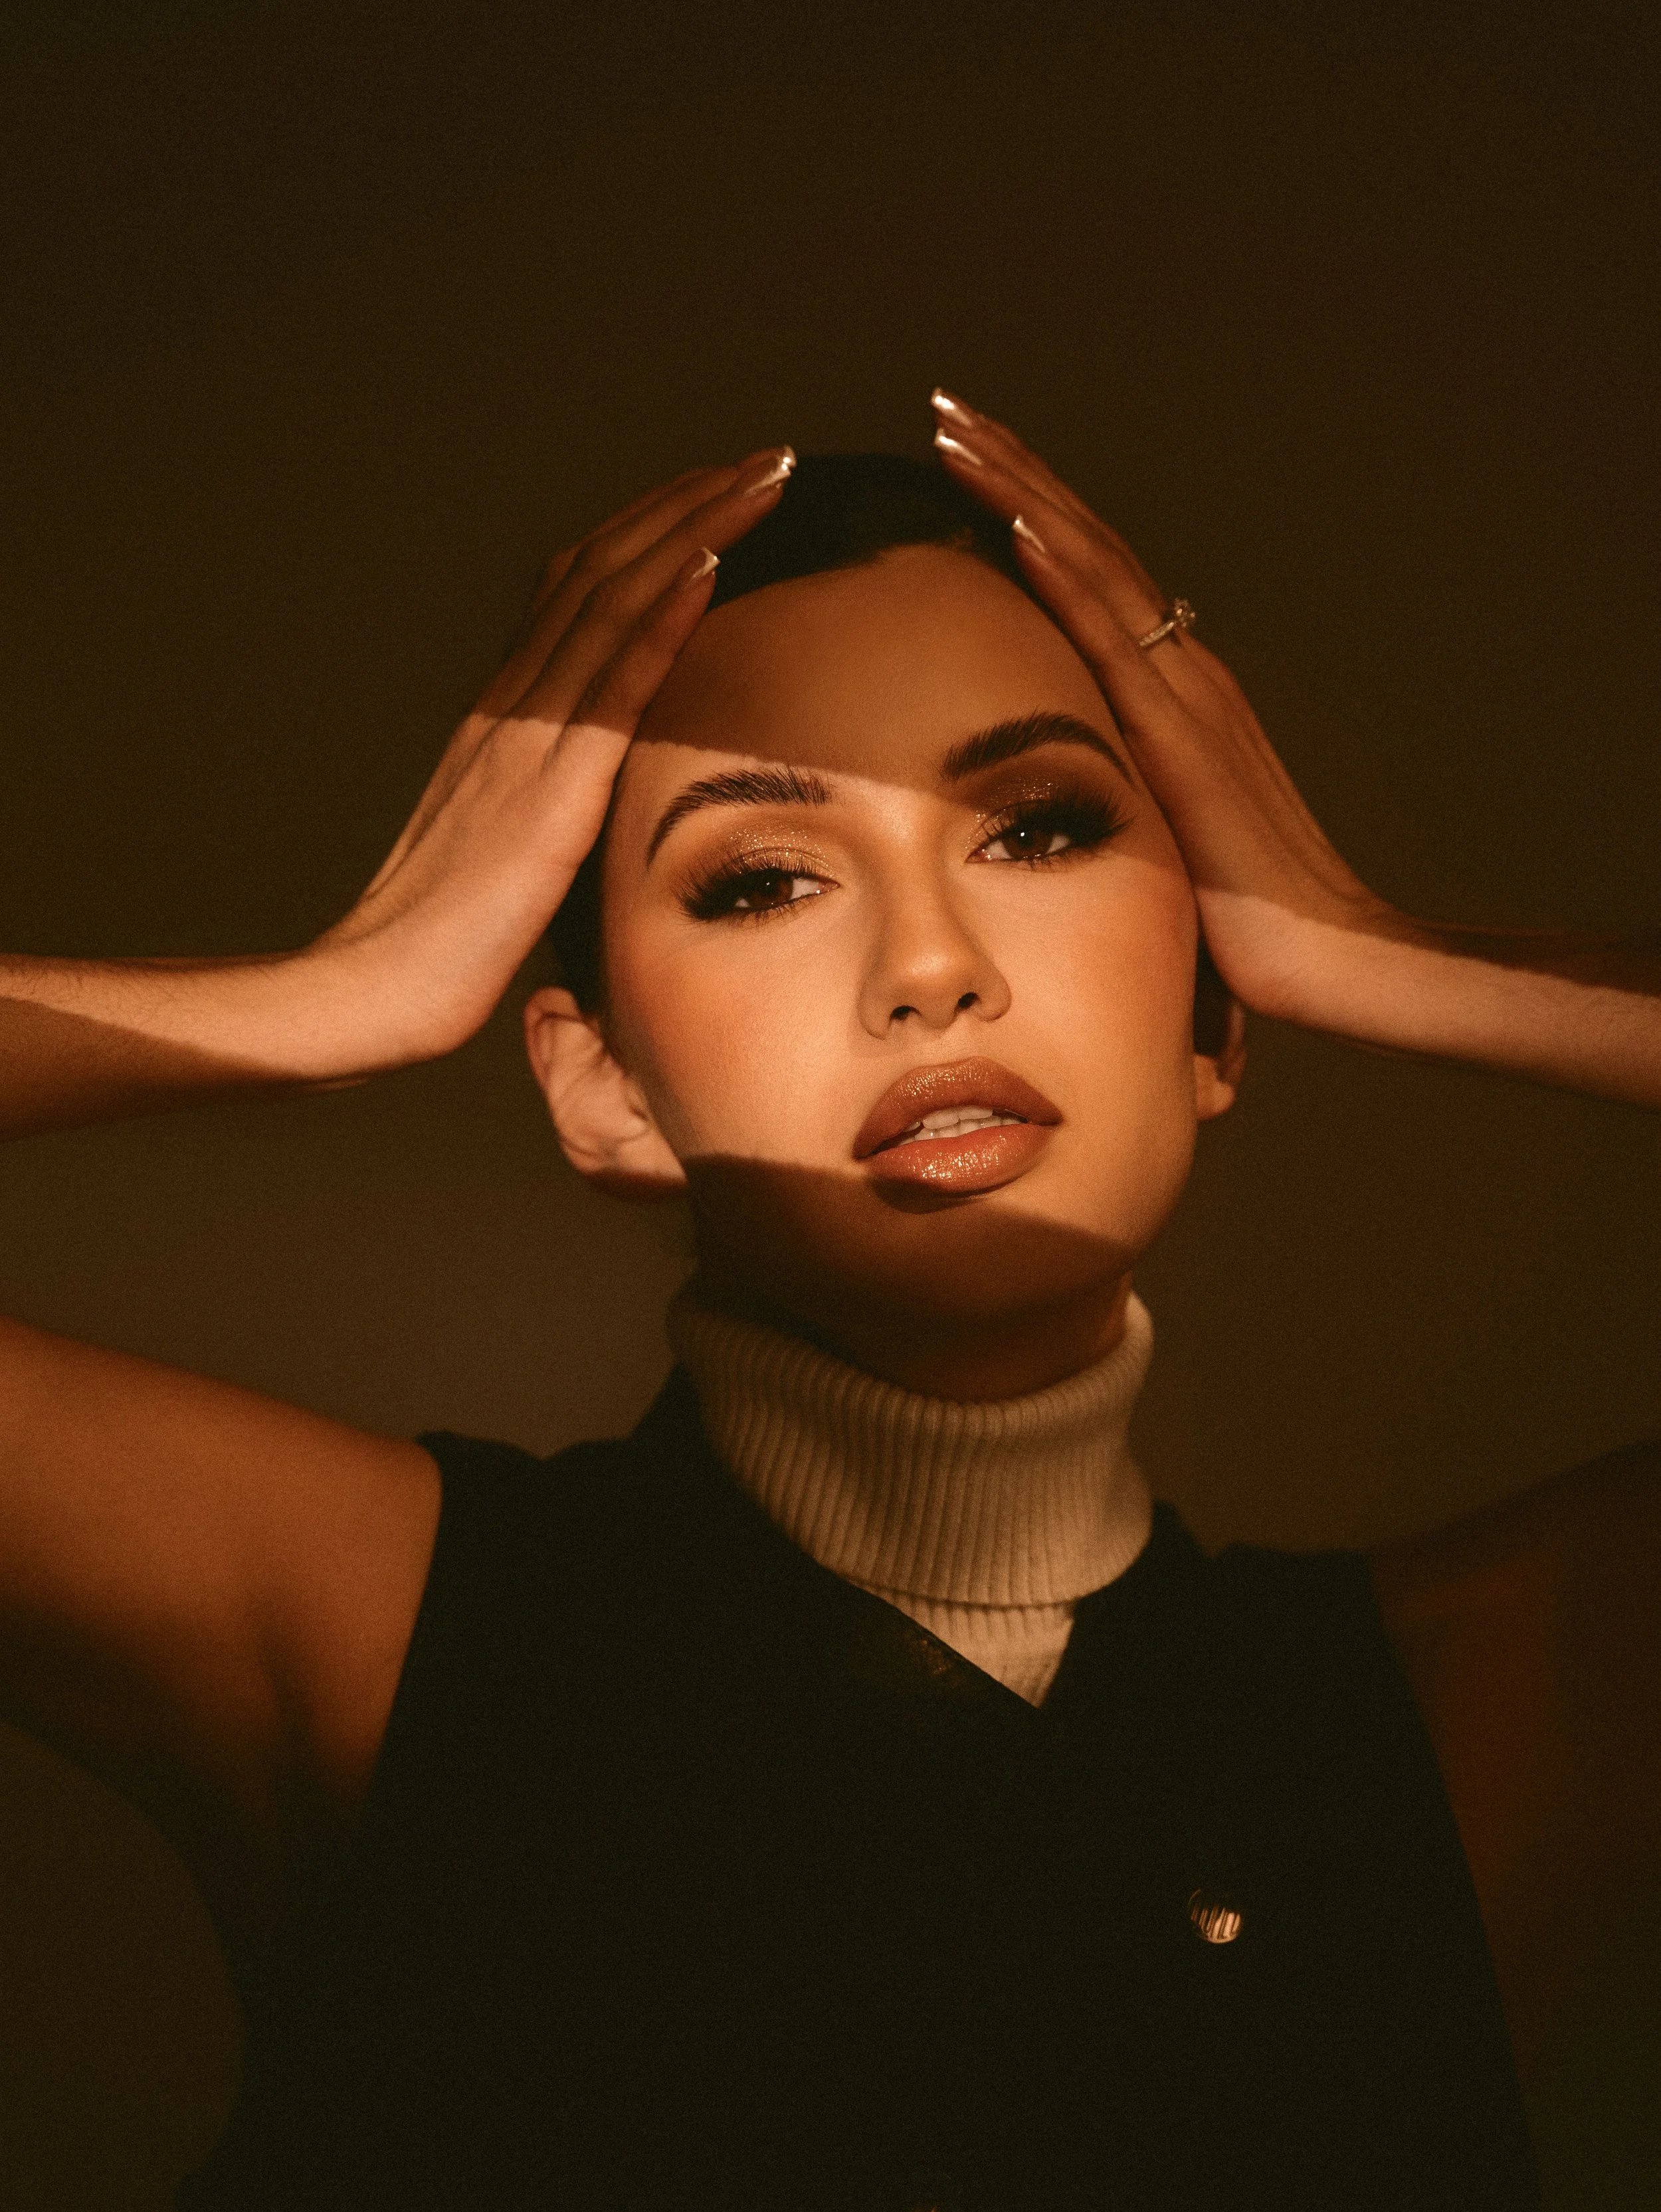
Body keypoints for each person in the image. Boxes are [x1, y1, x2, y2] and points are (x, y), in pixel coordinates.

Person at [0, 394, 1655, 2209]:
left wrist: (1391, 952)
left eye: (1038, 830)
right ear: (603, 1087)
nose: (930, 968)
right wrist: (347, 992)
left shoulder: (1449, 1713)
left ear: (1218, 1018)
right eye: (762, 879)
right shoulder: (375, 1633)